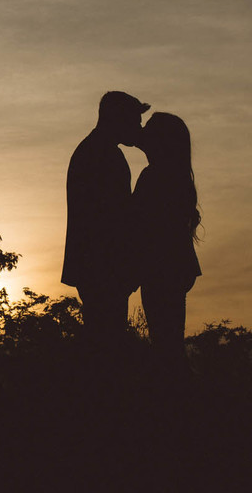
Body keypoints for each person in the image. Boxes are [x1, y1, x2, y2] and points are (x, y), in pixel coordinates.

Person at [62, 91, 150, 341]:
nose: (138, 128)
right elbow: (112, 218)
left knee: (103, 338)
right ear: (118, 119)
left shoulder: (95, 150)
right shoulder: (102, 155)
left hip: (97, 266)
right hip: (103, 267)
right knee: (107, 341)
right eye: (135, 121)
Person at [131, 112, 202, 370]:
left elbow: (138, 224)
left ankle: (172, 389)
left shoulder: (154, 177)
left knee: (165, 346)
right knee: (170, 343)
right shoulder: (176, 177)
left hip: (161, 269)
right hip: (174, 267)